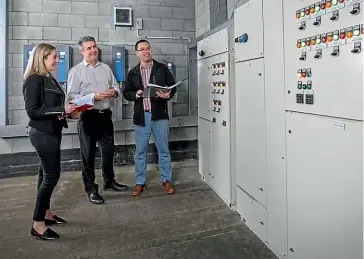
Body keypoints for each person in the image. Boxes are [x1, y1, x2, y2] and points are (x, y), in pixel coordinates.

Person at [23, 43, 79, 240]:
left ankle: (46, 213)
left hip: (52, 131)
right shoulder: (34, 79)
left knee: (44, 176)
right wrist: (62, 110)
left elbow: (52, 107)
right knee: (51, 177)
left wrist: (68, 113)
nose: (57, 60)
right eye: (54, 57)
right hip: (42, 134)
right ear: (42, 58)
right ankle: (37, 225)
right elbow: (33, 111)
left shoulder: (49, 78)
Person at [66, 36, 128, 205]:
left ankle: (109, 182)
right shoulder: (75, 71)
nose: (93, 50)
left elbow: (116, 87)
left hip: (105, 115)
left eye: (94, 47)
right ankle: (91, 189)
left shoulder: (106, 68)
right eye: (88, 48)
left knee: (108, 152)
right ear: (82, 51)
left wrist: (113, 92)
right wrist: (94, 96)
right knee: (88, 156)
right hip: (88, 117)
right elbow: (71, 97)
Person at [123, 39, 177, 196]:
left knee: (163, 150)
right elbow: (126, 93)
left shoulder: (161, 68)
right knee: (140, 152)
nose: (146, 51)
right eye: (142, 49)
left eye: (148, 48)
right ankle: (140, 182)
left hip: (160, 116)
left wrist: (168, 94)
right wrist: (136, 94)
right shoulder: (133, 72)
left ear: (151, 50)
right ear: (137, 53)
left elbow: (172, 87)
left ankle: (166, 180)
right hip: (142, 117)